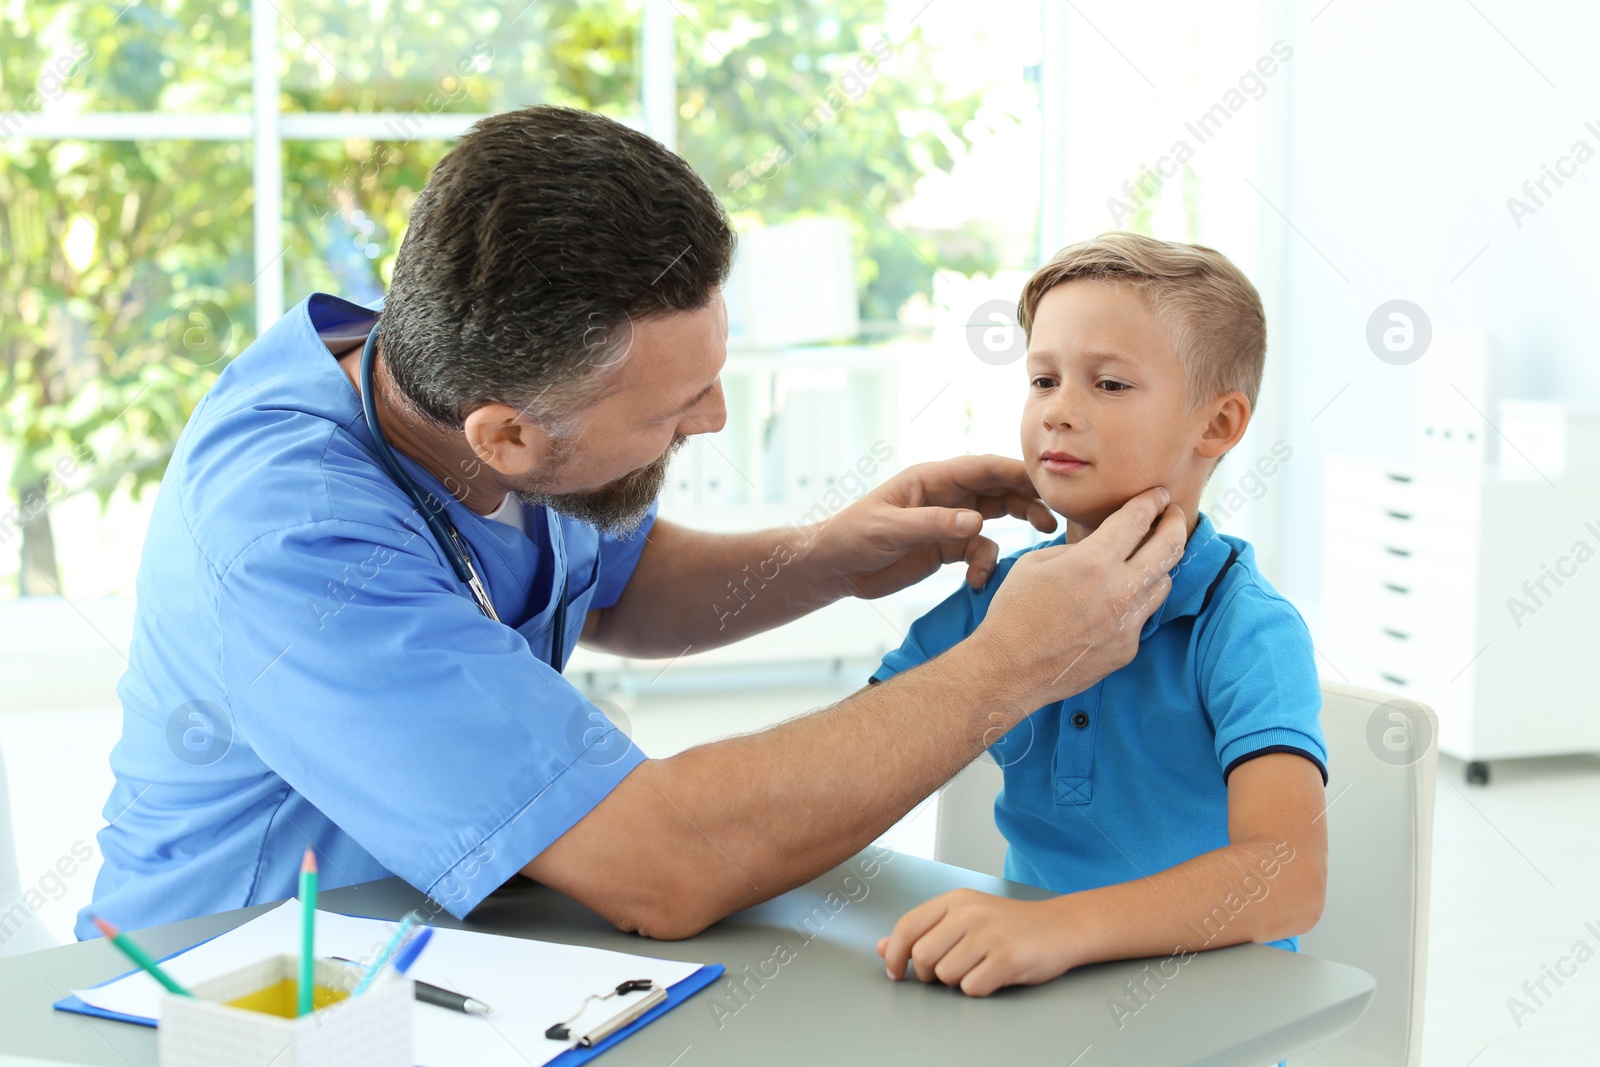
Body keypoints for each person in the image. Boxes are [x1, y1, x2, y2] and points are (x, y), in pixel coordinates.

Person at [78, 108, 1189, 942]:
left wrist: (826, 557)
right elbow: (664, 864)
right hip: (236, 995)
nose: (709, 420)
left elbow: (609, 580)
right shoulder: (293, 539)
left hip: (456, 950)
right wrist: (1014, 663)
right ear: (505, 436)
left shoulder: (447, 360)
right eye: (671, 408)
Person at [873, 233, 1328, 997]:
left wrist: (1060, 928)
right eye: (1043, 379)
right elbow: (859, 750)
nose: (1058, 412)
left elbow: (1288, 878)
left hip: (1210, 1015)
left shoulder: (1244, 627)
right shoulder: (998, 596)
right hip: (1035, 996)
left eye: (1109, 384)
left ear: (1216, 425)